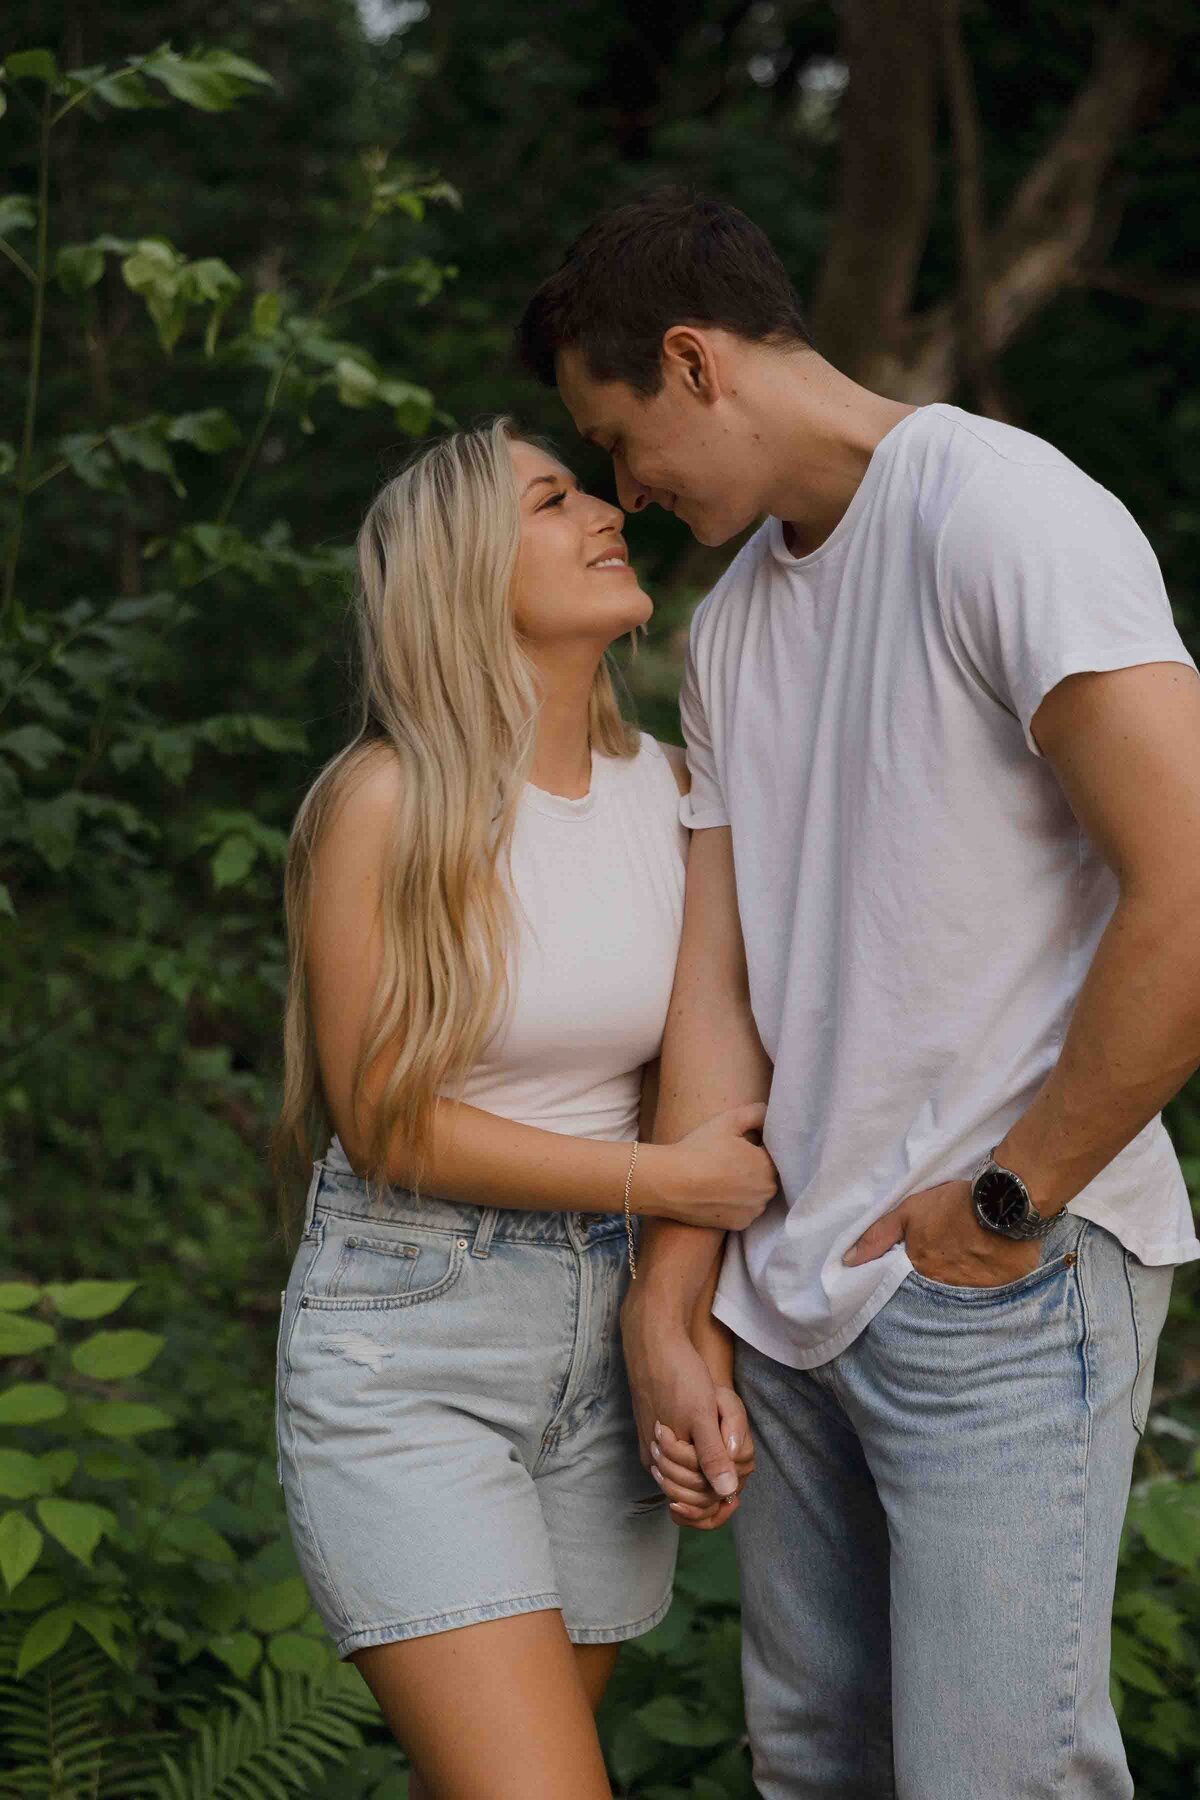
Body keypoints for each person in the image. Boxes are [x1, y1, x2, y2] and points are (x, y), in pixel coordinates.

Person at [516, 189, 1200, 1798]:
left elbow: (1188, 886)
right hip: (801, 1300)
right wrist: (671, 1292)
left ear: (693, 361)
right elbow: (720, 990)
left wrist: (1012, 1203)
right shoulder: (738, 629)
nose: (630, 493)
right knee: (816, 1769)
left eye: (618, 443)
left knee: (992, 1777)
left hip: (996, 1278)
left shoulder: (1000, 512)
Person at [271, 416, 775, 1800]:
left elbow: (703, 1073)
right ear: (461, 577)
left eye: (587, 490)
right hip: (415, 1342)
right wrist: (670, 1186)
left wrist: (677, 1322)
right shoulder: (388, 804)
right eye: (553, 502)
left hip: (610, 1353)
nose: (607, 510)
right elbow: (387, 1122)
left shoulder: (673, 791)